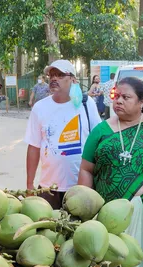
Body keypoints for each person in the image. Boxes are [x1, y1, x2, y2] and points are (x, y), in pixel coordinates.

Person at [78, 77, 143, 267]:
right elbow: (86, 169)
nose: (118, 101)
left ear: (142, 102)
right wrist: (86, 211)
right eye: (116, 96)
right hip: (109, 218)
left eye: (126, 97)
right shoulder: (102, 130)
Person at [25, 60, 102, 209]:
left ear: (73, 79)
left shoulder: (86, 104)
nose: (54, 78)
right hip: (48, 189)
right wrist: (29, 185)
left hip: (81, 188)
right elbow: (33, 147)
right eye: (51, 75)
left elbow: (99, 140)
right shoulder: (40, 108)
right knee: (47, 230)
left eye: (60, 75)